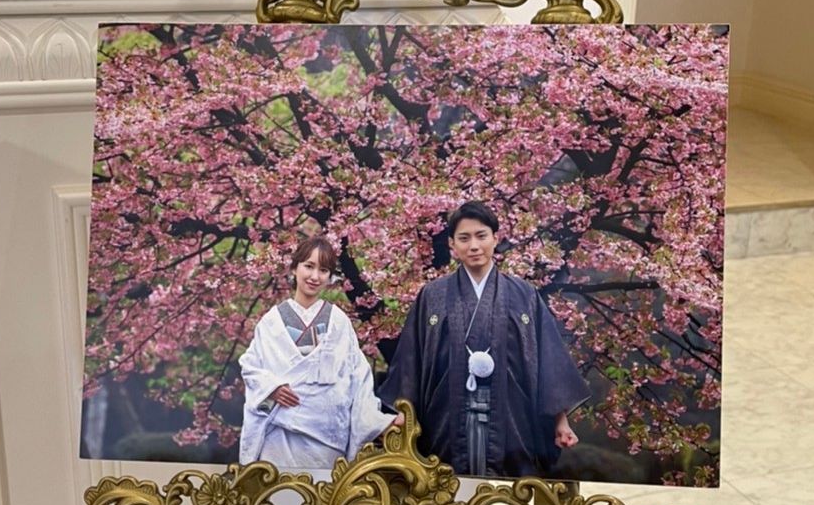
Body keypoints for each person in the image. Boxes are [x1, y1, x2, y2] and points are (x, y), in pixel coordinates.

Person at [379, 201, 589, 478]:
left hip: (511, 417)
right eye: (464, 238)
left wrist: (560, 421)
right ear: (452, 244)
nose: (474, 246)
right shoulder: (433, 295)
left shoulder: (524, 295)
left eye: (481, 236)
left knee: (508, 493)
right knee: (447, 488)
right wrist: (404, 412)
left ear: (495, 238)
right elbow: (411, 360)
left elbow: (548, 361)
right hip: (446, 416)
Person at [238, 236, 395, 468]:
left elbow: (358, 377)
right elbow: (251, 367)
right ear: (295, 268)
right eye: (309, 266)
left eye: (323, 270)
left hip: (327, 437)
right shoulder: (271, 322)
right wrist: (271, 388)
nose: (315, 276)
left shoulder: (339, 322)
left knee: (324, 490)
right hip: (281, 433)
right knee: (279, 489)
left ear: (330, 277)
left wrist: (379, 421)